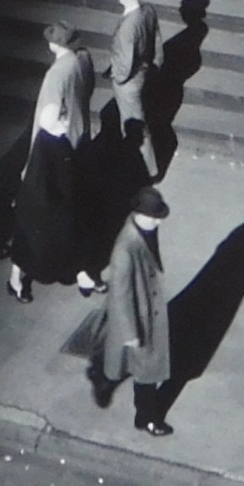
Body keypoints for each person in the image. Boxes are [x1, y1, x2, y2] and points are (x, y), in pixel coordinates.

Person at [71, 185, 174, 435]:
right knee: (147, 371)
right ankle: (147, 418)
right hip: (138, 318)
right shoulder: (125, 251)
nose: (158, 224)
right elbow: (120, 295)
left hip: (144, 310)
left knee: (133, 365)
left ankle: (106, 380)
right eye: (154, 218)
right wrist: (131, 333)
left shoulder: (141, 231)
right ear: (140, 215)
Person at [7, 24, 90, 302]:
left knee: (34, 218)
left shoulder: (55, 74)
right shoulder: (81, 61)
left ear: (53, 45)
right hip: (72, 147)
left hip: (51, 153)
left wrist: (29, 162)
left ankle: (17, 276)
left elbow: (44, 120)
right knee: (67, 212)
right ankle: (75, 269)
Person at [107, 0, 163, 173]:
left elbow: (126, 59)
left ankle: (144, 170)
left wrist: (118, 77)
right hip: (143, 72)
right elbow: (156, 40)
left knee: (132, 125)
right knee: (138, 122)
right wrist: (155, 63)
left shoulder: (128, 27)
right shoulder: (148, 11)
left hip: (128, 81)